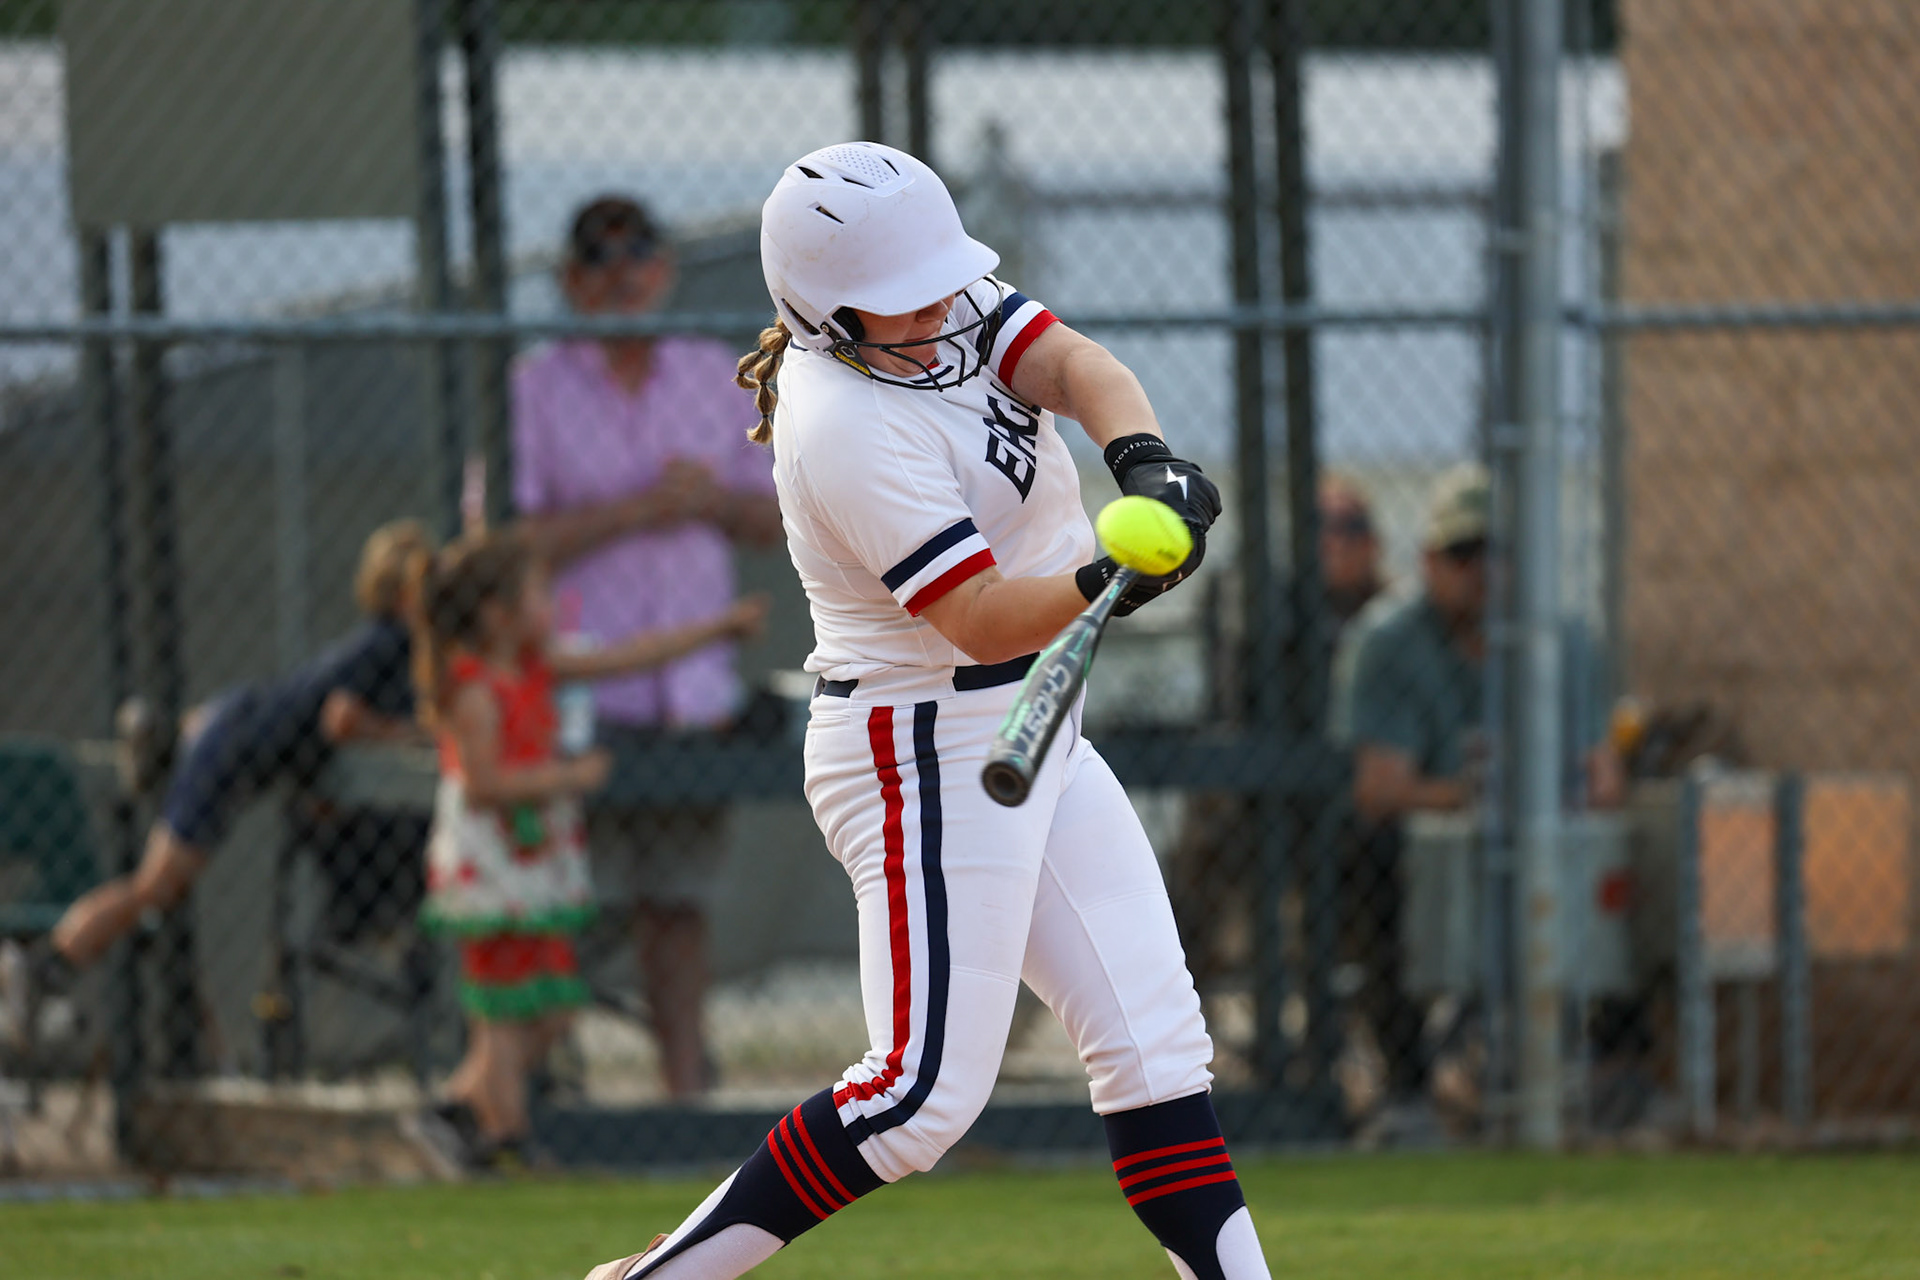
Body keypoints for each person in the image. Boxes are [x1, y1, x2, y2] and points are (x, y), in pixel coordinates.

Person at [584, 141, 1268, 1280]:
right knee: (918, 1097)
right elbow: (985, 618)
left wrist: (1146, 465)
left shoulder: (937, 299)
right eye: (898, 304)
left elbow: (1075, 365)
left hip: (1031, 722)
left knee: (1156, 1048)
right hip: (922, 742)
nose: (936, 309)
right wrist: (1115, 577)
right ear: (824, 313)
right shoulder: (841, 422)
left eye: (937, 283)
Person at [513, 195, 782, 1099]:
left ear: (665, 270)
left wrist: (706, 501)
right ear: (572, 282)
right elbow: (503, 546)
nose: (624, 274)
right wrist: (632, 510)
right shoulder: (536, 385)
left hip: (691, 696)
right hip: (584, 696)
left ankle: (682, 1098)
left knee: (677, 902)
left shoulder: (717, 374)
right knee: (567, 901)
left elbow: (777, 517)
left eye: (640, 255)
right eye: (601, 259)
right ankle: (542, 1091)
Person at [407, 529, 767, 1169]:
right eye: (540, 594)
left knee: (547, 1008)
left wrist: (717, 630)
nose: (552, 606)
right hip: (491, 866)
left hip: (536, 861)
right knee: (505, 1010)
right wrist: (567, 778)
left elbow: (634, 656)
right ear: (497, 612)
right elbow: (486, 785)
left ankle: (457, 1109)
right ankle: (504, 1134)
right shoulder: (473, 689)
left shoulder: (536, 668)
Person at [24, 520, 433, 1015]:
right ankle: (47, 964)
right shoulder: (389, 644)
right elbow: (341, 718)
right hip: (234, 751)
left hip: (236, 723)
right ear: (409, 594)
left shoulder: (388, 645)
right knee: (155, 886)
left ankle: (172, 734)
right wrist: (415, 734)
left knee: (167, 890)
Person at [1330, 463, 1623, 1108]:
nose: (1485, 571)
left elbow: (1601, 780)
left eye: (1501, 552)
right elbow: (1380, 790)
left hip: (1550, 832)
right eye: (1465, 553)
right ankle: (1408, 1086)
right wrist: (1481, 793)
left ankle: (1608, 1070)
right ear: (1429, 560)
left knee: (1624, 852)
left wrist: (1531, 802)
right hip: (1429, 846)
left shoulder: (1566, 640)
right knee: (1366, 859)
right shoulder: (1389, 640)